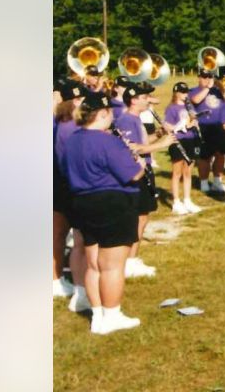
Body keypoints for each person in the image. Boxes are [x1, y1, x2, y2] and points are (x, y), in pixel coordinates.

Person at [62, 92, 149, 334]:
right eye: (110, 112)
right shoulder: (106, 140)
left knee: (93, 264)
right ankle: (112, 314)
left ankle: (98, 314)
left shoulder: (72, 140)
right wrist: (140, 165)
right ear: (102, 114)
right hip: (112, 203)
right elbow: (131, 174)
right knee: (112, 266)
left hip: (82, 202)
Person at [111, 82, 175, 276]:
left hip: (144, 170)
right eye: (144, 97)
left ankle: (133, 258)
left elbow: (143, 143)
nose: (148, 100)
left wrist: (158, 135)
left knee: (143, 216)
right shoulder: (126, 120)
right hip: (136, 172)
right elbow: (132, 147)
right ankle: (129, 261)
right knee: (137, 218)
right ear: (133, 100)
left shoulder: (136, 118)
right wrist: (162, 144)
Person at [52, 79, 88, 305]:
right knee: (76, 238)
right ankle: (76, 286)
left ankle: (56, 279)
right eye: (81, 99)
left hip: (58, 182)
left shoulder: (59, 121)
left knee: (58, 233)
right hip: (67, 184)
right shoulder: (71, 126)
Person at [161, 82, 204, 214]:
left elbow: (192, 120)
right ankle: (176, 201)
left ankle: (187, 199)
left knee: (188, 172)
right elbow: (166, 126)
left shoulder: (189, 107)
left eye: (187, 92)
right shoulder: (172, 108)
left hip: (191, 139)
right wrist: (178, 127)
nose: (186, 94)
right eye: (183, 92)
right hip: (178, 141)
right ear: (176, 93)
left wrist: (194, 123)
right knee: (177, 172)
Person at [188, 69, 225, 194]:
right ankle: (204, 182)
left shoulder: (217, 90)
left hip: (219, 125)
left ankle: (217, 180)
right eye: (204, 77)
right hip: (204, 126)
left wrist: (218, 83)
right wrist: (208, 88)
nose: (207, 79)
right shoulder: (193, 90)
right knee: (205, 157)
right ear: (198, 77)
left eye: (209, 77)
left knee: (220, 154)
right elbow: (196, 100)